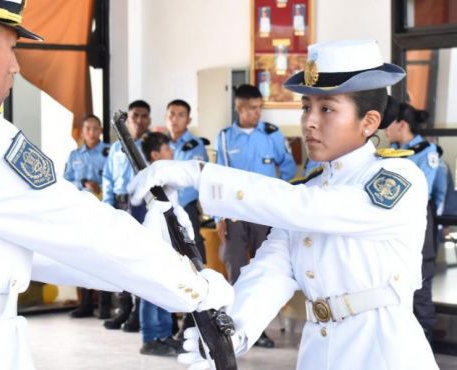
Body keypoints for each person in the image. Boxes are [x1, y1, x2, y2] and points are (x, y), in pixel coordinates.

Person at [0, 2, 233, 369]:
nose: (15, 66)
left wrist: (149, 255)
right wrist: (196, 288)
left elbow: (20, 251)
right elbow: (83, 226)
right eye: (12, 48)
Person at [129, 39, 439, 369]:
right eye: (306, 107)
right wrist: (233, 331)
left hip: (382, 352)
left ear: (369, 122)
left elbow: (308, 207)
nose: (309, 121)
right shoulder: (313, 187)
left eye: (327, 109)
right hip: (319, 353)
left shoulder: (398, 177)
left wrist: (201, 175)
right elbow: (272, 269)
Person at [216, 83, 296, 348]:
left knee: (265, 269)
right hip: (236, 215)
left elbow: (288, 167)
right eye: (252, 108)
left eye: (260, 108)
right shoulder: (226, 137)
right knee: (236, 269)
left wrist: (274, 198)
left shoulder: (272, 135)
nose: (258, 113)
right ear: (240, 108)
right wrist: (220, 216)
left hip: (265, 213)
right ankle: (234, 328)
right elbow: (220, 178)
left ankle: (258, 329)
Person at [384, 101, 445, 343]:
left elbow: (424, 191)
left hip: (417, 215)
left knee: (420, 276)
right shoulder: (388, 150)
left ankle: (425, 338)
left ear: (401, 125)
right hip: (390, 218)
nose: (385, 129)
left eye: (389, 124)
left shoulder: (425, 152)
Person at [101, 100, 151, 332]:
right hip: (120, 205)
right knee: (121, 259)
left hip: (142, 206)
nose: (139, 120)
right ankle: (123, 309)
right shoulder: (115, 148)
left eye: (144, 116)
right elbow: (108, 178)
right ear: (128, 118)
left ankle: (139, 313)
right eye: (135, 116)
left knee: (141, 259)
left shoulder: (150, 145)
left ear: (149, 120)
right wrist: (108, 205)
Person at [136, 131, 186, 356]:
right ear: (156, 154)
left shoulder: (165, 174)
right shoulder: (149, 177)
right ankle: (149, 338)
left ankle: (165, 335)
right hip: (151, 242)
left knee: (166, 288)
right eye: (167, 149)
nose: (172, 152)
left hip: (168, 242)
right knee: (150, 290)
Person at [165, 99, 211, 340]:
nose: (175, 118)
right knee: (165, 264)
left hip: (187, 210)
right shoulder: (159, 143)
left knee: (192, 263)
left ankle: (191, 323)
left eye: (180, 114)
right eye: (171, 114)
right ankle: (170, 321)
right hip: (163, 212)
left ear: (188, 119)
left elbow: (197, 180)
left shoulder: (195, 146)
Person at [64, 114, 112, 319]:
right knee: (81, 257)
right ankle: (84, 303)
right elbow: (65, 183)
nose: (91, 133)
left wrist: (98, 186)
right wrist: (81, 185)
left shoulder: (109, 152)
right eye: (88, 129)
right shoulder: (74, 155)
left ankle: (105, 305)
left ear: (100, 131)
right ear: (82, 132)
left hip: (102, 211)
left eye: (95, 129)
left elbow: (114, 179)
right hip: (80, 212)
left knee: (105, 258)